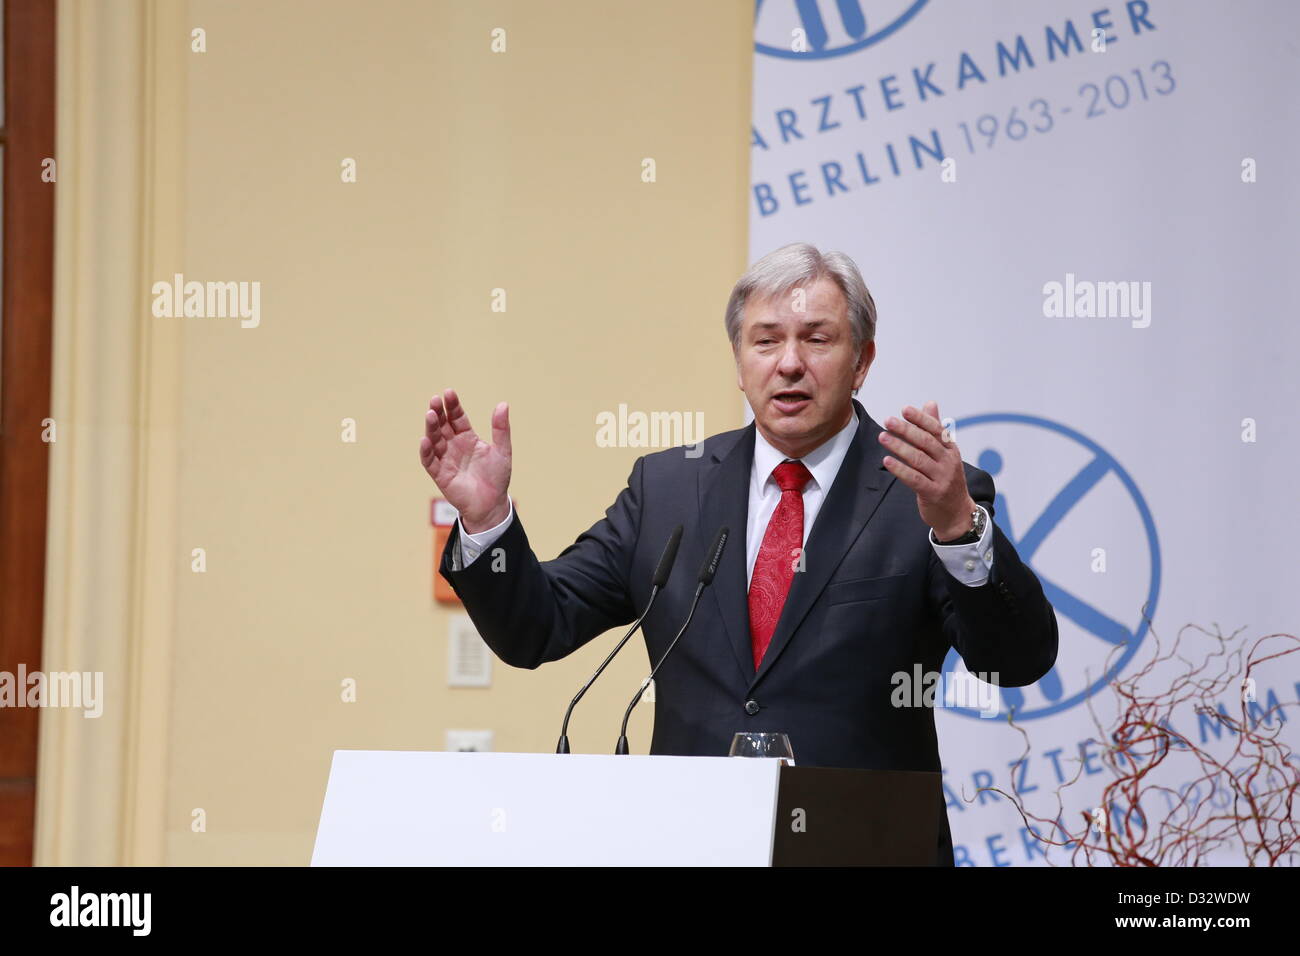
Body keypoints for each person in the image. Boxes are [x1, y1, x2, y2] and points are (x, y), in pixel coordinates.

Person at [419, 242, 1058, 865]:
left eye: (817, 338)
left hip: (866, 846)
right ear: (738, 360)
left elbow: (1016, 661)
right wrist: (486, 519)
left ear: (862, 361)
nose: (788, 363)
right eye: (766, 339)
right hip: (694, 844)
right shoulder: (668, 488)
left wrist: (958, 530)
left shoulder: (928, 493)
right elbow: (539, 627)